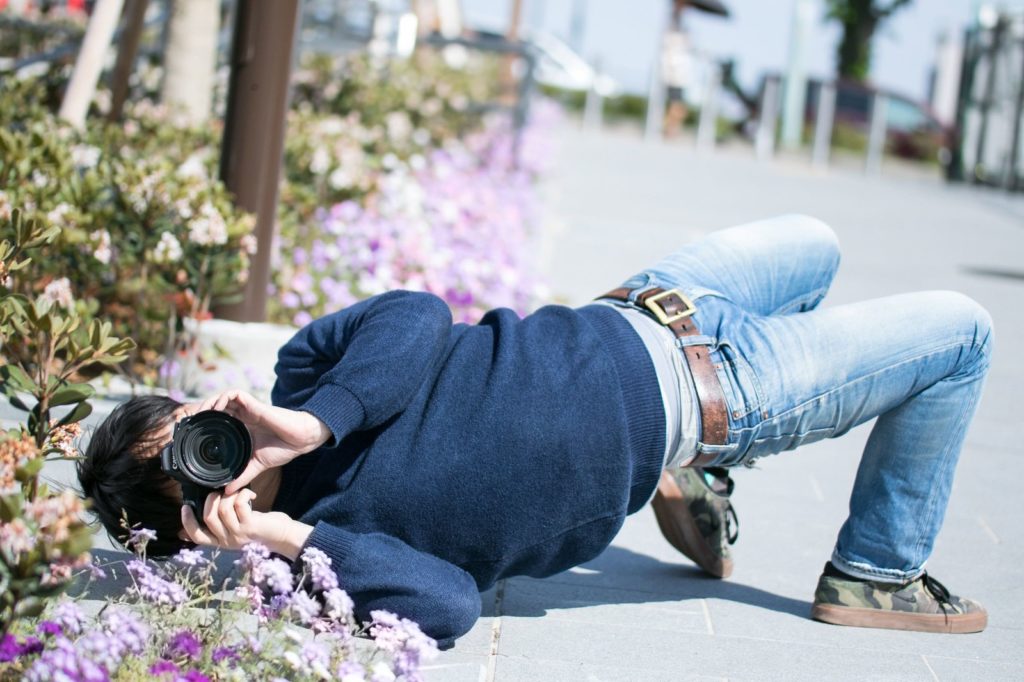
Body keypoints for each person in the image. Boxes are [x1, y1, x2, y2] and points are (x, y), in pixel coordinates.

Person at [78, 215, 993, 648]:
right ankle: (876, 572)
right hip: (708, 391)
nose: (215, 441)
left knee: (820, 242)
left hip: (648, 301)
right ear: (201, 522)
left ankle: (696, 483)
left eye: (189, 420)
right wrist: (290, 537)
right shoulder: (326, 556)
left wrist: (316, 422)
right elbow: (448, 606)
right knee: (962, 333)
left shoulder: (303, 386)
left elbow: (416, 314)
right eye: (196, 471)